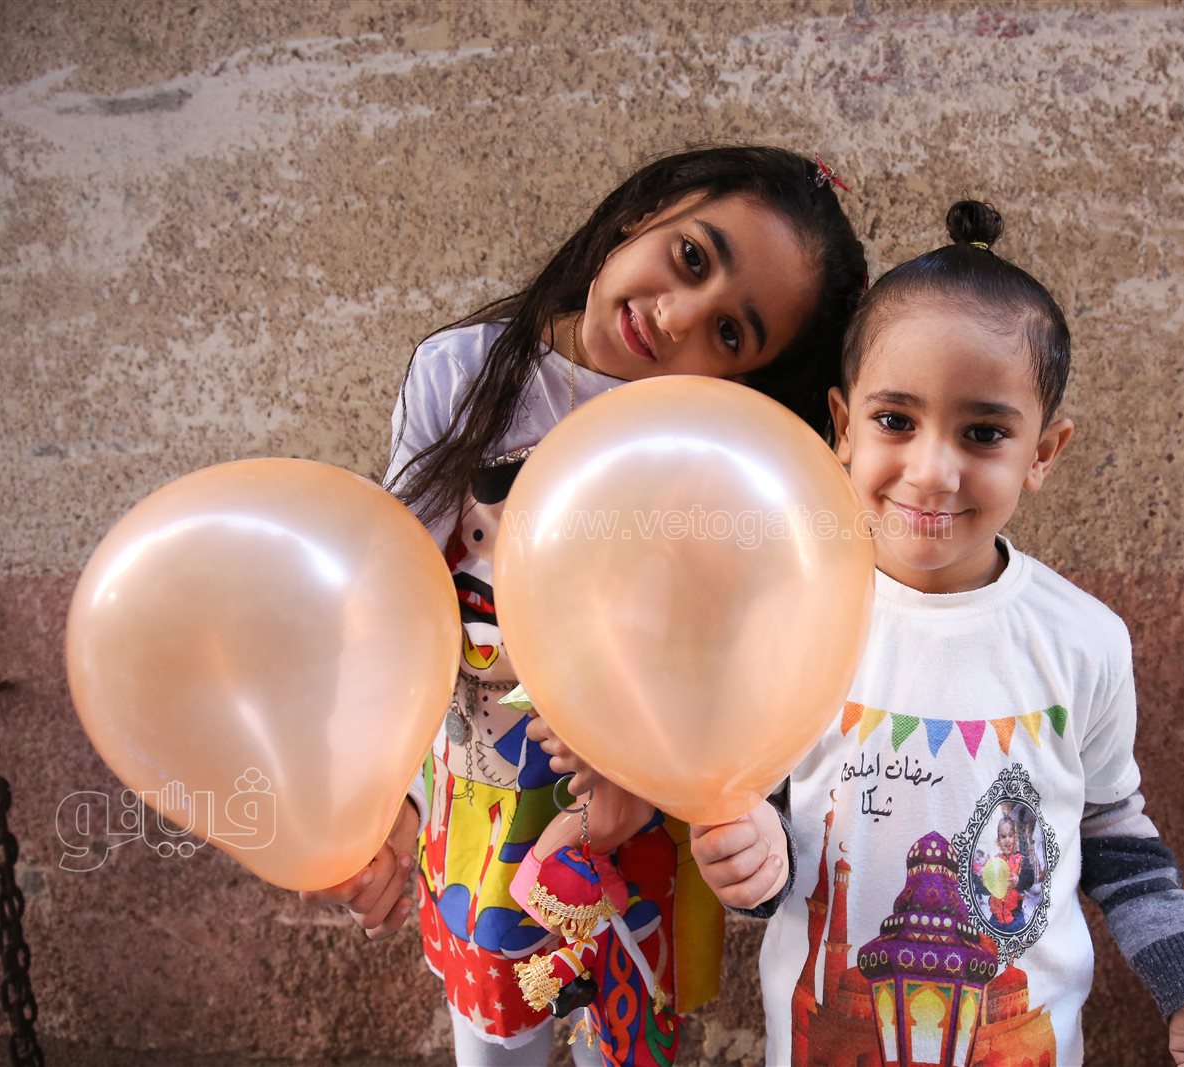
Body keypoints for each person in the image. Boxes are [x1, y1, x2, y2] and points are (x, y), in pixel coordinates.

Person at [691, 200, 1184, 1067]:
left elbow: (1116, 838)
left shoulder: (1083, 642)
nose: (933, 470)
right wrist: (751, 867)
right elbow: (777, 831)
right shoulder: (791, 620)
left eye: (982, 433)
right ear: (842, 424)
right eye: (896, 421)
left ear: (1043, 452)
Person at [301, 145, 865, 1066]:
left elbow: (735, 655)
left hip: (640, 804)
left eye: (730, 334)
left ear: (745, 380)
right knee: (496, 1032)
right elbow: (396, 611)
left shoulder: (707, 448)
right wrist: (387, 800)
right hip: (485, 788)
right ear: (644, 211)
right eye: (691, 256)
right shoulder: (465, 371)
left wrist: (676, 772)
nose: (676, 315)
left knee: (625, 1031)